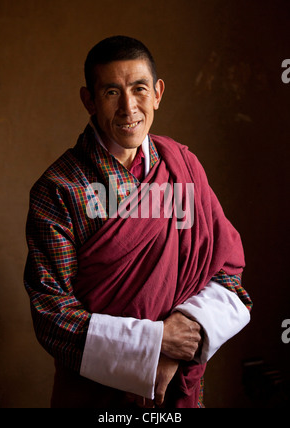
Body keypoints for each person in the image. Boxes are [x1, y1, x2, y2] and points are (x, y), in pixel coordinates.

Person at [24, 36, 252, 408]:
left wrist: (176, 350)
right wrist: (152, 346)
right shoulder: (60, 189)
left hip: (179, 386)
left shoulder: (183, 167)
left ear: (158, 93)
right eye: (112, 92)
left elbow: (227, 271)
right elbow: (52, 314)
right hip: (96, 394)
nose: (129, 107)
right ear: (89, 100)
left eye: (139, 89)